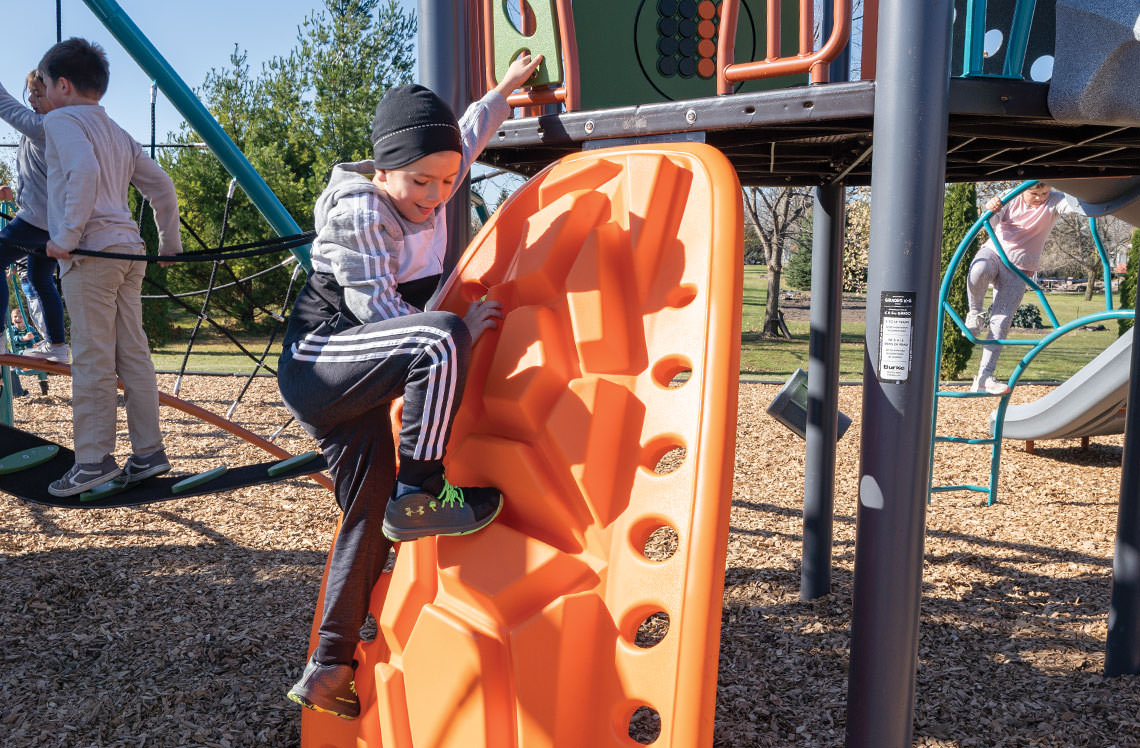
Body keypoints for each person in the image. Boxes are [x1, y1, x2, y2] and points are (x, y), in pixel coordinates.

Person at [278, 54, 543, 720]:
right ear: (384, 169)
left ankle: (328, 666)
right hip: (323, 361)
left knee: (364, 519)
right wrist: (459, 336)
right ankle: (420, 491)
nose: (435, 197)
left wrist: (505, 90)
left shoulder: (435, 176)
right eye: (420, 182)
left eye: (449, 182)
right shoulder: (361, 209)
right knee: (438, 334)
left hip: (353, 382)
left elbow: (469, 132)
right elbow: (376, 311)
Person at [38, 38, 181, 496]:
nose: (41, 92)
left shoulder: (60, 119)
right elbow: (161, 186)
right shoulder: (117, 131)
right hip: (129, 251)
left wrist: (65, 237)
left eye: (42, 82)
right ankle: (149, 452)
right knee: (133, 354)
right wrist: (170, 243)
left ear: (61, 84)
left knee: (94, 359)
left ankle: (93, 460)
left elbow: (82, 172)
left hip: (92, 254)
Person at [965, 182, 1081, 394]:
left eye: (1044, 192)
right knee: (978, 269)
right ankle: (974, 312)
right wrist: (991, 208)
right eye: (1034, 194)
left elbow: (1075, 206)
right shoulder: (1010, 196)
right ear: (1023, 189)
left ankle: (984, 377)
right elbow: (988, 222)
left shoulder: (1053, 202)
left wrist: (1091, 196)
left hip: (1020, 268)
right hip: (995, 253)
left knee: (1001, 321)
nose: (1040, 198)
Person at [0, 69, 70, 362]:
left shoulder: (49, 125)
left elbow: (5, 105)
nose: (31, 99)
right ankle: (57, 345)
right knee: (41, 278)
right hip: (51, 224)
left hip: (36, 221)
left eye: (39, 93)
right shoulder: (50, 127)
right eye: (31, 93)